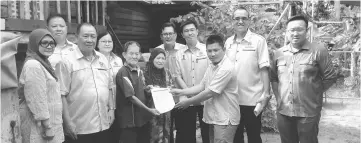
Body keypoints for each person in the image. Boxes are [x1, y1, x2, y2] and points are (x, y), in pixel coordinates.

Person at [268, 15, 338, 143]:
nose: (295, 33)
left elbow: (330, 76)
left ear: (307, 31)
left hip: (308, 112)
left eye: (299, 29)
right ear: (287, 32)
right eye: (291, 30)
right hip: (284, 112)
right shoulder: (278, 53)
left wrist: (314, 92)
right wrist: (278, 98)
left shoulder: (318, 51)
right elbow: (273, 78)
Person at [171, 34, 240, 143]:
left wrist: (188, 102)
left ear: (224, 49)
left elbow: (209, 92)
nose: (212, 54)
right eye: (209, 51)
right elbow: (202, 86)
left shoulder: (226, 68)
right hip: (213, 117)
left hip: (225, 118)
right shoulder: (212, 66)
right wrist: (180, 92)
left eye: (216, 50)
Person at [56, 23, 114, 143]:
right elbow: (61, 95)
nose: (90, 40)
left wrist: (112, 109)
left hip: (103, 124)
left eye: (93, 36)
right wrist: (67, 122)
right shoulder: (66, 62)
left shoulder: (102, 59)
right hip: (80, 127)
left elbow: (109, 87)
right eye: (85, 36)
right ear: (77, 37)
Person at [225, 7, 270, 143]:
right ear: (232, 21)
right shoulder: (228, 43)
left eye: (244, 18)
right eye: (237, 18)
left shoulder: (258, 41)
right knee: (235, 137)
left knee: (254, 136)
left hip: (253, 99)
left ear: (249, 21)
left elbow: (264, 68)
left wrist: (266, 93)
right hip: (232, 99)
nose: (240, 21)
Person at [18, 29, 64, 143]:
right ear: (34, 43)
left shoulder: (43, 63)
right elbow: (36, 98)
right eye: (44, 43)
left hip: (50, 122)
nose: (49, 46)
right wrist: (47, 127)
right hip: (40, 127)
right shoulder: (33, 65)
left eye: (52, 43)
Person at [116, 41, 160, 143]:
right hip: (130, 121)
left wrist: (146, 89)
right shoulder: (123, 72)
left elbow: (139, 89)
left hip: (141, 119)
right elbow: (131, 97)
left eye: (137, 54)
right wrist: (149, 110)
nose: (134, 56)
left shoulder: (139, 69)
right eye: (131, 53)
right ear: (124, 55)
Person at [174, 19, 210, 143]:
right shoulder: (178, 54)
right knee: (187, 133)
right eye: (186, 31)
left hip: (206, 98)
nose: (189, 33)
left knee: (207, 132)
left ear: (197, 31)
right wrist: (189, 93)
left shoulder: (207, 50)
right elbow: (177, 76)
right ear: (182, 35)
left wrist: (199, 94)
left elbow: (211, 73)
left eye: (192, 30)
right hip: (187, 100)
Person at [154, 22, 186, 142]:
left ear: (176, 35)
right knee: (166, 129)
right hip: (163, 97)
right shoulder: (157, 51)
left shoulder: (183, 49)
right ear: (161, 36)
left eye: (170, 33)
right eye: (165, 34)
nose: (168, 36)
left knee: (182, 128)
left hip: (180, 95)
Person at [95, 28, 123, 143]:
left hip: (118, 101)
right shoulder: (94, 59)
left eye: (109, 41)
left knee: (116, 133)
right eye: (103, 41)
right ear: (97, 44)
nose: (107, 44)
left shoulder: (118, 60)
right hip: (101, 103)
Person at [142, 48, 173, 143]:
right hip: (151, 110)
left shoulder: (167, 72)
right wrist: (147, 89)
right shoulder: (144, 72)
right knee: (152, 136)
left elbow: (171, 86)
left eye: (163, 58)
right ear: (152, 59)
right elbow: (140, 90)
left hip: (165, 111)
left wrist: (170, 89)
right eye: (158, 58)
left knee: (166, 134)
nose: (160, 61)